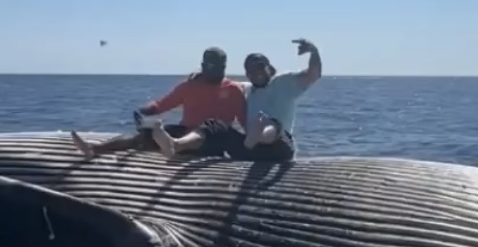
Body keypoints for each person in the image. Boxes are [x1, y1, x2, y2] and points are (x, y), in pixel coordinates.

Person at [152, 40, 322, 163]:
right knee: (215, 125)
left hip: (280, 148)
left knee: (272, 123)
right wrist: (201, 76)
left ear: (269, 68)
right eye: (250, 70)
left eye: (260, 67)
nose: (256, 72)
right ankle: (175, 145)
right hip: (250, 150)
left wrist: (314, 52)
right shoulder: (246, 89)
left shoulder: (284, 83)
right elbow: (219, 84)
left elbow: (313, 74)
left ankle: (261, 135)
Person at [70, 47, 246, 160]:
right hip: (185, 131)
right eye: (210, 67)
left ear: (225, 66)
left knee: (212, 128)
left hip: (213, 140)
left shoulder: (234, 89)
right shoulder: (190, 86)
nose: (215, 71)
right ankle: (94, 148)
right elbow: (162, 105)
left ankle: (175, 146)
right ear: (202, 65)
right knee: (146, 135)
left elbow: (245, 122)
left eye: (219, 67)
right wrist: (144, 111)